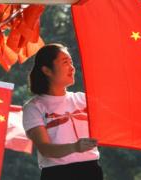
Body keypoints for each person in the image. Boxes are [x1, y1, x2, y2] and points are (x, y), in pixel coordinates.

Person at [22, 43, 103, 180]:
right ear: (47, 70)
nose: (72, 68)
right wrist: (75, 147)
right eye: (65, 62)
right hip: (57, 174)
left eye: (71, 63)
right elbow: (45, 149)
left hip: (92, 170)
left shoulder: (83, 99)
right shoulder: (34, 107)